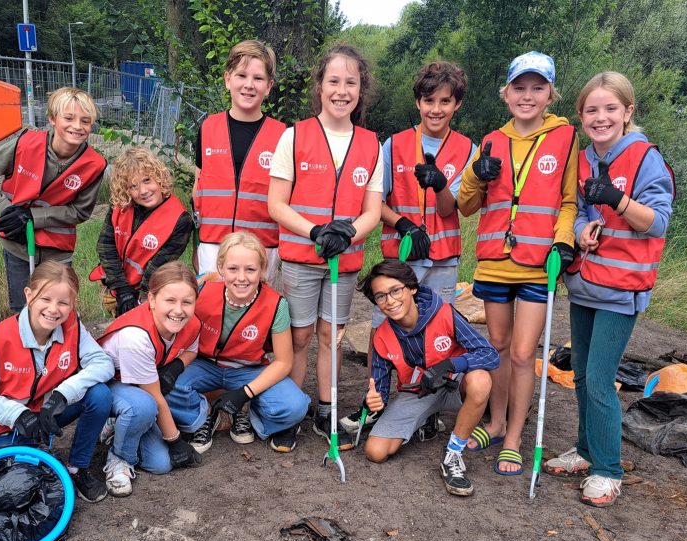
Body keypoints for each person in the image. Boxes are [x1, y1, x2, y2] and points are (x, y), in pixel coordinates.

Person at [543, 71, 674, 507]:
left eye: (610, 109)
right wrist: (581, 230)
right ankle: (585, 451)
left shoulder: (643, 157)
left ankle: (608, 470)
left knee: (600, 379)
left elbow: (657, 222)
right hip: (584, 284)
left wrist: (617, 201)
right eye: (592, 110)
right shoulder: (582, 159)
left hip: (622, 289)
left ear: (627, 112)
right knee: (580, 374)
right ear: (581, 116)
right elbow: (578, 210)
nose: (601, 118)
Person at [457, 51, 579, 475]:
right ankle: (494, 422)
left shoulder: (565, 138)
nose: (527, 96)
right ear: (506, 93)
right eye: (519, 87)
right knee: (499, 349)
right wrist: (476, 172)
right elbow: (466, 205)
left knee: (525, 353)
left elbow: (568, 201)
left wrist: (563, 243)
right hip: (494, 263)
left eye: (537, 88)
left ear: (550, 94)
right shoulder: (492, 139)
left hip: (536, 264)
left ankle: (513, 437)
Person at [344, 60, 477, 439]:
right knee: (381, 329)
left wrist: (439, 186)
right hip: (400, 258)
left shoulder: (468, 148)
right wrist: (402, 223)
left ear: (457, 105)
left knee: (438, 332)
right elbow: (375, 201)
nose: (436, 109)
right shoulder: (395, 144)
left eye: (445, 101)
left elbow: (455, 209)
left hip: (443, 259)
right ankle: (374, 399)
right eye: (428, 100)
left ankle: (430, 402)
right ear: (417, 102)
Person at [267, 43, 383, 450]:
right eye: (334, 80)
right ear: (320, 86)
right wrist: (316, 231)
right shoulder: (293, 136)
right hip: (301, 259)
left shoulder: (371, 143)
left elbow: (372, 210)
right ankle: (290, 410)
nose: (341, 90)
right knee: (298, 338)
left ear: (360, 89)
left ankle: (326, 409)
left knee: (330, 337)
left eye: (351, 82)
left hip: (344, 263)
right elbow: (276, 204)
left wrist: (348, 234)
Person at [0, 261, 114, 503]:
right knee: (17, 490)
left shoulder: (73, 327)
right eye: (45, 299)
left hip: (49, 413)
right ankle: (34, 456)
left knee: (99, 395)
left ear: (73, 304)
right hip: (7, 426)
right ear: (29, 295)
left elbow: (103, 364)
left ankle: (77, 468)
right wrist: (16, 413)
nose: (54, 309)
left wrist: (62, 394)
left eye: (63, 302)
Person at [358, 261, 499, 496]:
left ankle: (453, 453)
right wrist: (372, 401)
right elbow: (379, 391)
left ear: (412, 288)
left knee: (481, 381)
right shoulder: (382, 336)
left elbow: (490, 355)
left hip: (456, 385)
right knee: (375, 452)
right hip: (418, 392)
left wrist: (451, 364)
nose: (390, 301)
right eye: (380, 296)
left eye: (395, 290)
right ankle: (427, 418)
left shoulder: (443, 313)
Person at [167, 232, 311, 453]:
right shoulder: (202, 288)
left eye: (250, 270)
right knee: (163, 386)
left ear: (262, 270)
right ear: (221, 268)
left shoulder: (276, 304)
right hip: (204, 364)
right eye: (233, 269)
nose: (241, 278)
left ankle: (245, 411)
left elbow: (283, 362)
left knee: (295, 406)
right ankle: (205, 415)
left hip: (248, 369)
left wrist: (245, 393)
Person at [0, 86, 107, 314]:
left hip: (57, 250)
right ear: (53, 119)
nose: (77, 126)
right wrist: (4, 209)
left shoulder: (94, 164)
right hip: (18, 244)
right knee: (23, 309)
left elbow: (80, 212)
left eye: (85, 121)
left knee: (59, 309)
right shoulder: (26, 143)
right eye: (69, 118)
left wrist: (34, 216)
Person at [97, 261, 204, 497]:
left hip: (139, 383)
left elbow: (191, 349)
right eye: (170, 300)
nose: (179, 310)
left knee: (160, 464)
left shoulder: (191, 322)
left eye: (187, 302)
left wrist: (175, 366)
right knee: (143, 406)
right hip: (105, 388)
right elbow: (154, 396)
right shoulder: (136, 337)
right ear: (152, 299)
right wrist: (175, 440)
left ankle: (120, 426)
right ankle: (119, 458)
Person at [192, 40, 286, 286]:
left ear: (268, 86)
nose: (249, 85)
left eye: (258, 78)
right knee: (212, 314)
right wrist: (197, 243)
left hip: (262, 246)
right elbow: (198, 184)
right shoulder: (207, 128)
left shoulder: (284, 136)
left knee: (257, 317)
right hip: (213, 245)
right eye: (241, 75)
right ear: (227, 79)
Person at [92, 147, 194, 316]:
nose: (143, 191)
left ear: (159, 177)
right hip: (118, 285)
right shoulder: (120, 206)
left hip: (148, 289)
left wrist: (142, 301)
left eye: (147, 180)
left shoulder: (180, 220)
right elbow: (105, 246)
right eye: (133, 186)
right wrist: (122, 290)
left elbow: (157, 267)